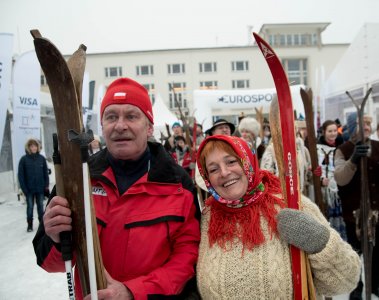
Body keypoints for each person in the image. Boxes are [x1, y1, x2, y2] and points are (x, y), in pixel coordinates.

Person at [33, 77, 200, 299]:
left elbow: (187, 259)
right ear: (102, 127)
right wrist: (55, 238)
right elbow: (50, 264)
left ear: (149, 127)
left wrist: (133, 292)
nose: (120, 125)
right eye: (111, 117)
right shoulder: (78, 180)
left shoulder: (178, 185)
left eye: (131, 116)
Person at [196, 135, 360, 299]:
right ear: (207, 177)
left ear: (247, 161)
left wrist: (320, 243)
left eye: (231, 161)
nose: (224, 172)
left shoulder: (288, 204)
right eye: (213, 169)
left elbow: (346, 281)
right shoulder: (209, 217)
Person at [334, 112, 379, 298]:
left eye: (368, 124)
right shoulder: (343, 150)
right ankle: (356, 286)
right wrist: (353, 160)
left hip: (377, 212)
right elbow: (340, 178)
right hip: (354, 214)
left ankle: (375, 283)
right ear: (353, 128)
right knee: (355, 252)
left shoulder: (377, 147)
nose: (367, 127)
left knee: (376, 252)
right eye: (362, 124)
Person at [317, 120, 347, 240]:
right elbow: (312, 169)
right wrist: (319, 179)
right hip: (323, 192)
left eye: (335, 131)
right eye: (330, 131)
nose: (333, 133)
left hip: (339, 190)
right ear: (324, 132)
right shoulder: (317, 149)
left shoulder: (342, 147)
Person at [18, 138, 49, 232]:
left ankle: (41, 224)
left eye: (35, 146)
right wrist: (24, 189)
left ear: (38, 147)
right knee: (30, 207)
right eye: (31, 146)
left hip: (40, 188)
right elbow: (21, 176)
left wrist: (46, 185)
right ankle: (30, 225)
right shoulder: (24, 160)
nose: (34, 148)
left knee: (40, 206)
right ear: (28, 148)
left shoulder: (41, 159)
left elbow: (45, 173)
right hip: (29, 189)